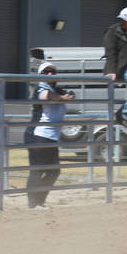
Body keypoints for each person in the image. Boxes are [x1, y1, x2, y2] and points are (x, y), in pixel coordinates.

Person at [24, 61, 75, 210]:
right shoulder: (40, 88)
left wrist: (67, 96)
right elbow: (45, 96)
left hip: (51, 136)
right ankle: (33, 204)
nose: (50, 74)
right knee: (37, 170)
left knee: (54, 171)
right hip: (37, 135)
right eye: (46, 72)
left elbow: (71, 94)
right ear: (40, 75)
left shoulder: (57, 89)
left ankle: (39, 201)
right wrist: (63, 98)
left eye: (52, 71)